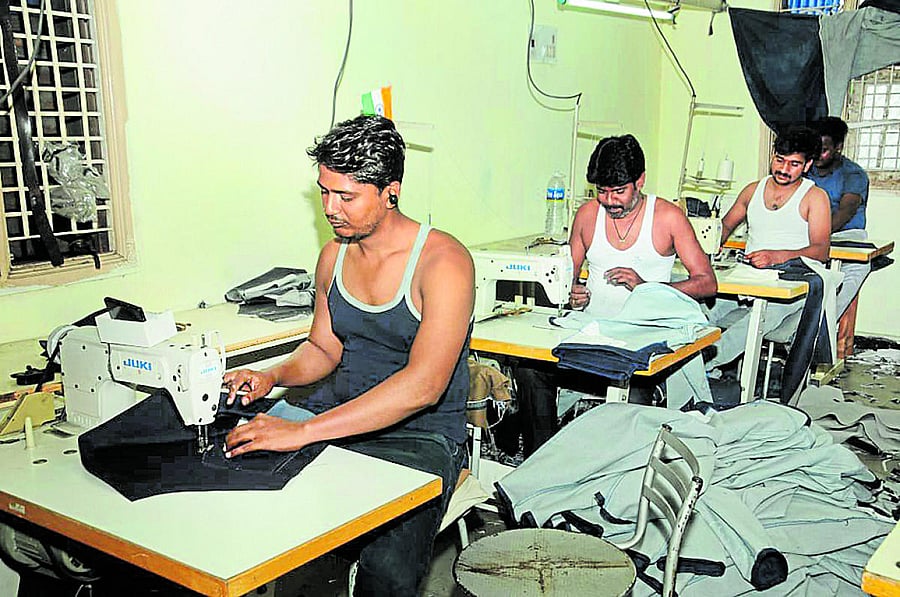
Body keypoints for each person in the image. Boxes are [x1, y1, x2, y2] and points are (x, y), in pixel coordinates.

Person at [222, 115, 475, 596]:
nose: (330, 208)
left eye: (346, 196)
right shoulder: (333, 257)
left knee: (388, 573)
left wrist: (303, 431)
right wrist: (272, 375)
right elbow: (323, 348)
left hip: (418, 436)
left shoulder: (443, 263)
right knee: (260, 519)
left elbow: (423, 387)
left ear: (390, 192)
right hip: (339, 416)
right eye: (324, 192)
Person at [510, 134, 716, 456]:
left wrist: (649, 289)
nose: (609, 201)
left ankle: (617, 472)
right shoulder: (587, 215)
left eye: (619, 191)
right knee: (529, 369)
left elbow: (707, 283)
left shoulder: (667, 218)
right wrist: (570, 294)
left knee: (633, 400)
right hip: (591, 337)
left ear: (640, 181)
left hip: (639, 345)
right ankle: (542, 462)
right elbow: (565, 278)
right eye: (602, 192)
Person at [705, 126, 831, 372]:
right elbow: (726, 226)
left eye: (794, 164)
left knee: (753, 322)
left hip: (792, 284)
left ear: (807, 165)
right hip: (750, 278)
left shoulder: (815, 197)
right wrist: (712, 243)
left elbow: (821, 250)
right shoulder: (753, 190)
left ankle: (705, 366)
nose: (784, 169)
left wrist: (778, 257)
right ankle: (687, 366)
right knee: (700, 312)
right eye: (780, 160)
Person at [809, 116, 871, 317]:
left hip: (847, 237)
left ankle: (823, 324)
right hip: (811, 236)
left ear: (838, 147)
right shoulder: (805, 170)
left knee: (856, 272)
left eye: (823, 149)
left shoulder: (853, 175)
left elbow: (846, 212)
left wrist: (815, 235)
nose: (817, 155)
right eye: (814, 148)